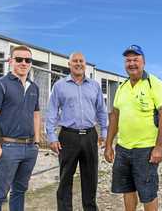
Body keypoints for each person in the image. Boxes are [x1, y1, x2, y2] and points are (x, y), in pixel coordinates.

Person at [104, 45, 162, 211]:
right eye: (128, 60)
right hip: (123, 149)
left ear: (144, 62)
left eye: (136, 59)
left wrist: (159, 148)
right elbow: (115, 116)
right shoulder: (122, 87)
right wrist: (108, 145)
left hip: (146, 150)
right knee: (127, 189)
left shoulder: (154, 84)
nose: (132, 63)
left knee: (148, 193)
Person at [46, 52, 108, 211]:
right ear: (69, 64)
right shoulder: (59, 86)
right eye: (75, 61)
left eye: (81, 61)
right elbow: (52, 111)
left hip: (89, 136)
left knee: (90, 178)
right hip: (68, 136)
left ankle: (90, 208)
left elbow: (101, 110)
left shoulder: (94, 86)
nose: (78, 63)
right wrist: (52, 137)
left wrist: (104, 133)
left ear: (85, 64)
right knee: (65, 178)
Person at [0, 45, 40, 211]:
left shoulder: (33, 87)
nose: (24, 63)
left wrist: (36, 142)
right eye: (19, 59)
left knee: (20, 191)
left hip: (29, 148)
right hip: (7, 148)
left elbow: (36, 114)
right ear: (10, 61)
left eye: (27, 60)